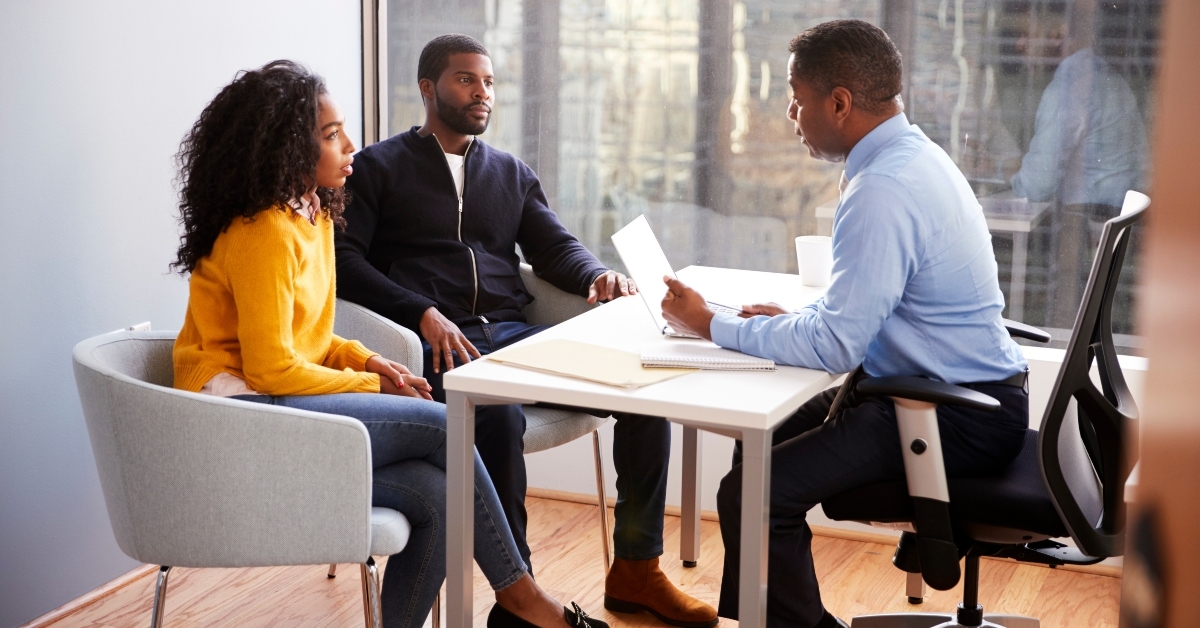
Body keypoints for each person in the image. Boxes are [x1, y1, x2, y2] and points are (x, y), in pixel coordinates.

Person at [170, 60, 606, 628]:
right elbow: (274, 367)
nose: (350, 144)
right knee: (450, 424)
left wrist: (368, 357)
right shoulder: (264, 232)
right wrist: (372, 381)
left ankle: (492, 606)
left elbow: (310, 337)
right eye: (330, 136)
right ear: (285, 149)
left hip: (278, 401)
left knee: (439, 494)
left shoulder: (312, 216)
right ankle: (525, 599)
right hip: (239, 415)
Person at [335, 34, 718, 628]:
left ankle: (636, 570)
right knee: (499, 412)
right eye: (466, 80)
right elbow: (345, 261)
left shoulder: (509, 173)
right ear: (427, 88)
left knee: (643, 394)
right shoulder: (379, 168)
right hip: (433, 346)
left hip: (514, 336)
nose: (482, 92)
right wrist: (419, 310)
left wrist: (598, 275)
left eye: (488, 82)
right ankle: (521, 594)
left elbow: (553, 247)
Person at [660, 21, 1030, 628]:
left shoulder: (882, 186)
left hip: (952, 416)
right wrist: (798, 318)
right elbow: (862, 309)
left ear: (839, 103)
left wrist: (710, 324)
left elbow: (837, 345)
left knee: (751, 492)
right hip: (950, 396)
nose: (789, 112)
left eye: (796, 97)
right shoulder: (911, 155)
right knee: (759, 441)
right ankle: (764, 620)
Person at [1008, 0, 1148, 328]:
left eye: (1027, 35)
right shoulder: (1108, 79)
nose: (1019, 45)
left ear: (1058, 35)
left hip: (1088, 226)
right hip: (1113, 222)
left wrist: (1005, 174)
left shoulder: (1070, 88)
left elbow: (1037, 185)